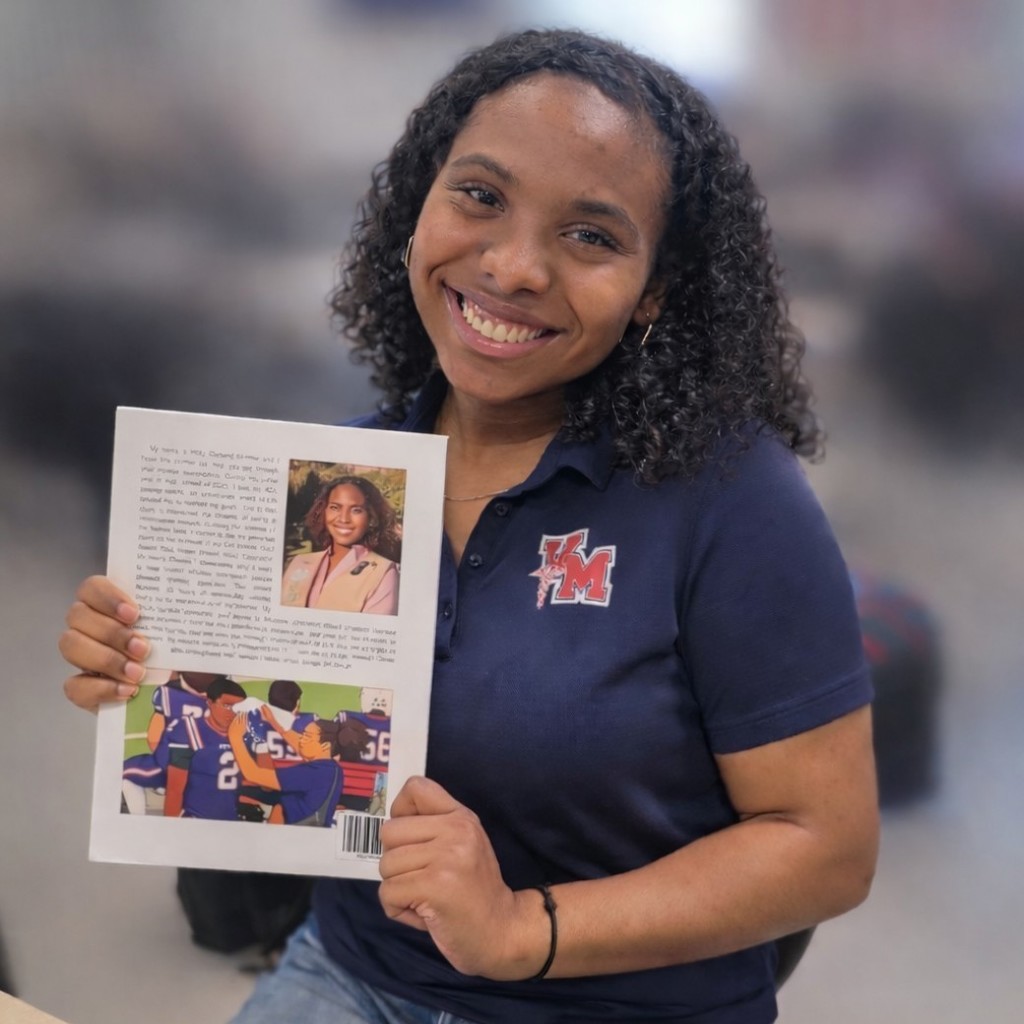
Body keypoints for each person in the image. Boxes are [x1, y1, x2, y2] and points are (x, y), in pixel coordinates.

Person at [58, 27, 879, 1023]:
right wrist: (150, 669)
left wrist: (521, 929)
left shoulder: (730, 496)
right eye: (481, 196)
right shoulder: (340, 479)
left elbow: (824, 847)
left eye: (591, 234)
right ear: (419, 205)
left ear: (654, 290)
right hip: (357, 972)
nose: (515, 266)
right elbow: (269, 761)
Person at [280, 475, 401, 614]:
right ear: (323, 511)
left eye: (356, 510)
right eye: (335, 507)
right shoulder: (300, 562)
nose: (343, 519)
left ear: (371, 518)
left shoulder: (384, 572)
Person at [228, 710, 351, 827]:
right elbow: (301, 746)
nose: (302, 740)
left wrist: (235, 738)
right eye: (303, 735)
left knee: (244, 793)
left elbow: (254, 774)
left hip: (293, 834)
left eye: (307, 737)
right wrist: (276, 725)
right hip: (309, 829)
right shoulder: (332, 768)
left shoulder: (311, 773)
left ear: (325, 746)